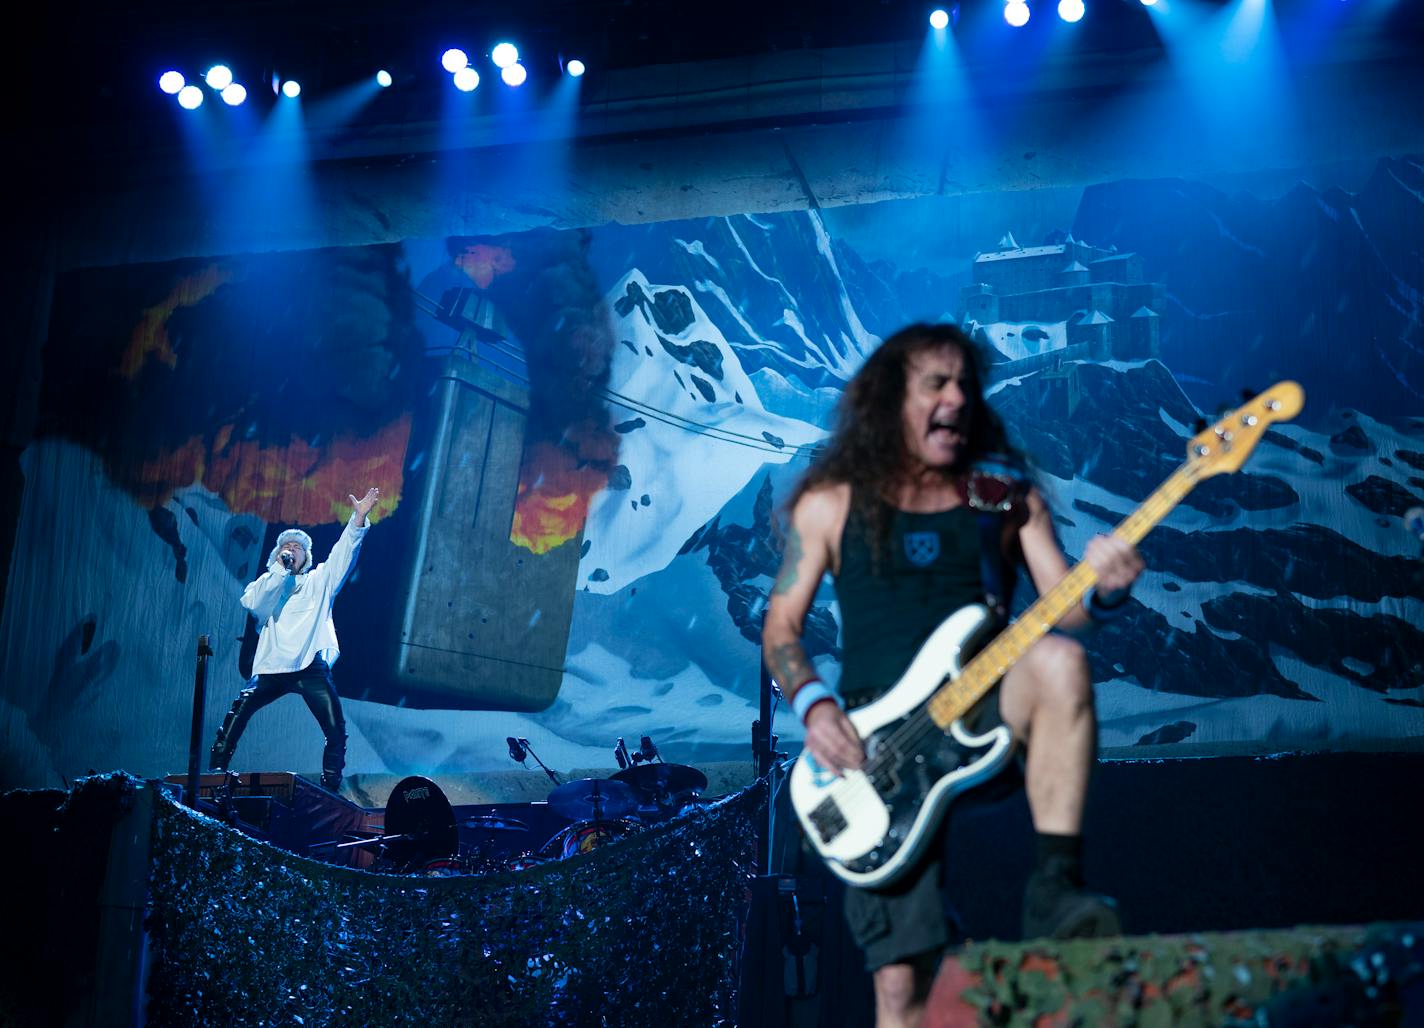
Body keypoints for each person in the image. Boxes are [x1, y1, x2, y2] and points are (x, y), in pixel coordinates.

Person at [762, 324, 1143, 1028]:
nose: (957, 397)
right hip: (876, 748)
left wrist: (1108, 586)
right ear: (888, 400)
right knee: (901, 988)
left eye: (965, 384)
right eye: (935, 383)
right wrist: (816, 709)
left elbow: (1069, 606)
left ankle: (1056, 890)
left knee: (1058, 661)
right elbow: (782, 629)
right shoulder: (830, 503)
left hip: (984, 704)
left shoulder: (1005, 498)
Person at [210, 488, 380, 793]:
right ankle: (216, 772)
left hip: (308, 665)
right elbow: (254, 605)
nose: (291, 550)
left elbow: (344, 553)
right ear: (277, 555)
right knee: (238, 713)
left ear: (306, 556)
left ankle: (330, 786)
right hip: (271, 666)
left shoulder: (318, 581)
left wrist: (357, 519)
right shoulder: (266, 584)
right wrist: (279, 570)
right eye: (285, 547)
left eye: (297, 548)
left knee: (335, 728)